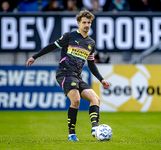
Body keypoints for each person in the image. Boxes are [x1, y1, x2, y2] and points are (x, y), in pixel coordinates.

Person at [26, 10, 110, 141]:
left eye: (89, 22)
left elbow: (92, 64)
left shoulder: (91, 43)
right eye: (84, 22)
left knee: (96, 99)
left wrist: (101, 79)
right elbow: (51, 46)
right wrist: (34, 57)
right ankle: (72, 134)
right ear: (78, 23)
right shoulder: (70, 36)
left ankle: (95, 128)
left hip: (77, 75)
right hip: (64, 72)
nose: (87, 25)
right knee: (76, 100)